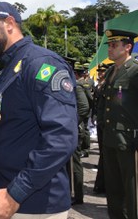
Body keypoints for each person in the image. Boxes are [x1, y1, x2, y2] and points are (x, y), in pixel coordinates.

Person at [0, 1, 78, 218]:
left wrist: (16, 193)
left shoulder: (42, 64)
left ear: (10, 23)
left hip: (35, 203)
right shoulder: (8, 72)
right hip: (7, 195)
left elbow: (60, 138)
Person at [100, 29, 138, 219]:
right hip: (110, 138)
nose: (110, 49)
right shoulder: (110, 71)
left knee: (132, 191)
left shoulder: (135, 70)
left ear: (128, 47)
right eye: (109, 45)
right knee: (113, 189)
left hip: (129, 140)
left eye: (115, 45)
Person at [68, 63, 90, 205]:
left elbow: (84, 107)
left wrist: (71, 122)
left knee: (74, 163)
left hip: (73, 129)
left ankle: (77, 194)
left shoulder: (76, 85)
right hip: (69, 129)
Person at [92, 63, 110, 195]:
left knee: (106, 154)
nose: (100, 73)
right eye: (99, 72)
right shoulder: (100, 85)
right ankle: (101, 184)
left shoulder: (107, 85)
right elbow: (96, 103)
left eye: (103, 71)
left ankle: (103, 184)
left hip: (106, 122)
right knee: (103, 153)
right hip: (101, 121)